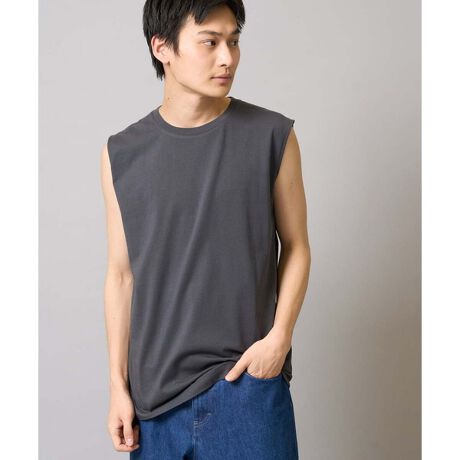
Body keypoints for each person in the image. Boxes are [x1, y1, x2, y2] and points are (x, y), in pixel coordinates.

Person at [100, 1, 311, 458]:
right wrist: (118, 386)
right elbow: (121, 275)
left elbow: (296, 246)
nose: (227, 58)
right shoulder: (122, 153)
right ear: (162, 48)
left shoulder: (272, 135)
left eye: (233, 41)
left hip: (246, 389)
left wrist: (279, 340)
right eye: (210, 42)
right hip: (154, 406)